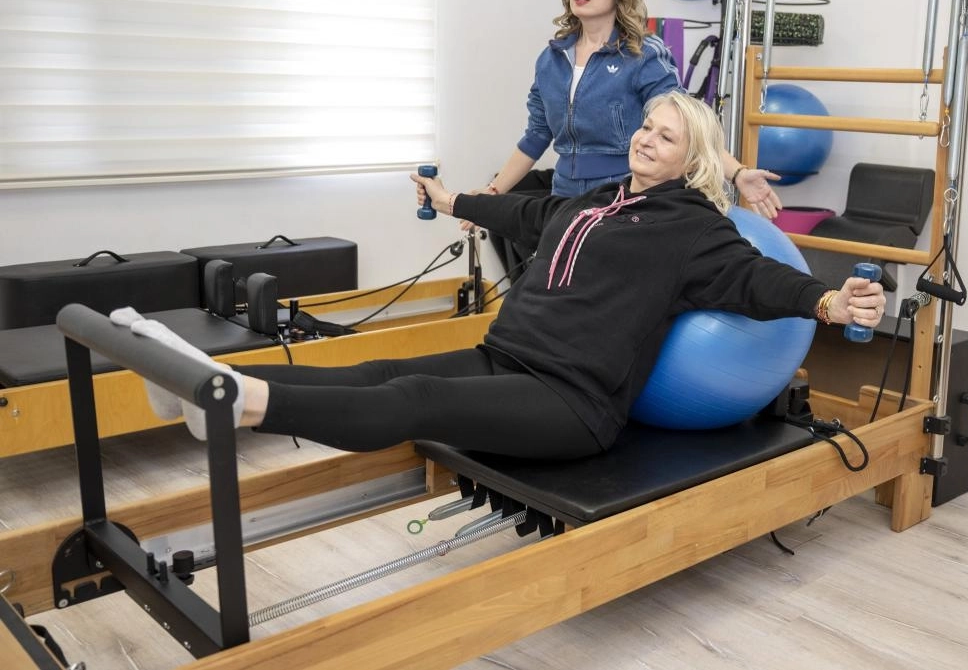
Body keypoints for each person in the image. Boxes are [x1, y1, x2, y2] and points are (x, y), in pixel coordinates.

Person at [115, 91, 884, 460]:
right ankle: (212, 381)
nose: (648, 139)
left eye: (667, 136)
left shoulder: (694, 229)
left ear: (695, 159)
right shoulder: (600, 199)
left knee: (414, 400)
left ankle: (237, 404)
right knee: (382, 368)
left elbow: (757, 280)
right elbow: (523, 213)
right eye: (647, 126)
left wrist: (826, 299)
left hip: (572, 402)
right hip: (506, 356)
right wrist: (452, 199)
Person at [483, 0, 782, 217]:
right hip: (564, 196)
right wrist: (492, 193)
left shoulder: (642, 55)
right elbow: (536, 136)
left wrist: (737, 173)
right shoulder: (551, 59)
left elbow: (687, 125)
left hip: (623, 195)